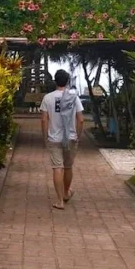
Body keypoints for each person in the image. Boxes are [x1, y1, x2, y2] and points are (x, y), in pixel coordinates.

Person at [40, 69, 84, 210]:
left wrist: (45, 136)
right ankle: (66, 193)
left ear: (55, 81)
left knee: (57, 168)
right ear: (67, 81)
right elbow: (81, 120)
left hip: (54, 138)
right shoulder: (74, 97)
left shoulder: (48, 98)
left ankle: (60, 201)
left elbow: (44, 119)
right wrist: (77, 135)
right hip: (70, 138)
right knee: (68, 166)